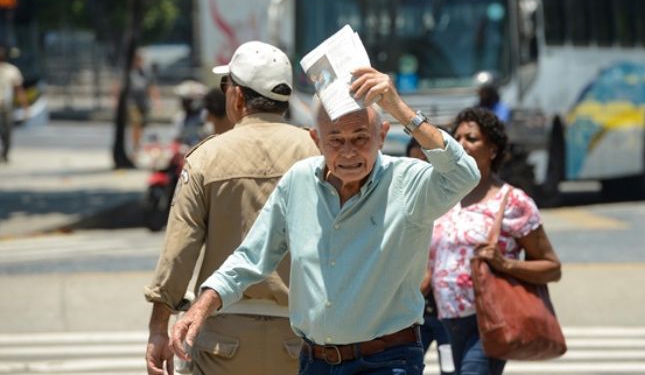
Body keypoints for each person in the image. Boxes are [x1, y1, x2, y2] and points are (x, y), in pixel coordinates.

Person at [170, 66, 482, 375]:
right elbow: (252, 257)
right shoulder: (299, 181)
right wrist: (202, 306)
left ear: (382, 135)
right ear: (316, 140)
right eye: (336, 141)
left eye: (360, 138)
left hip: (387, 361)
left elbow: (464, 174)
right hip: (314, 362)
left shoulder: (409, 183)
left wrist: (399, 110)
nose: (348, 152)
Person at [144, 41, 320, 375]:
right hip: (301, 335)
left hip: (220, 335)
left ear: (237, 97)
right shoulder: (319, 153)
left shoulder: (205, 158)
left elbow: (178, 253)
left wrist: (158, 328)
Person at [429, 107, 561, 375]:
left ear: (493, 150)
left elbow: (551, 267)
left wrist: (505, 264)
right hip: (445, 321)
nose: (462, 144)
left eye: (472, 138)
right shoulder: (441, 196)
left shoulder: (512, 201)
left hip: (487, 321)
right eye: (457, 138)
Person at [406, 138, 454, 375]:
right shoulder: (404, 206)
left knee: (450, 369)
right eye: (416, 160)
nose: (422, 167)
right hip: (414, 316)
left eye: (427, 160)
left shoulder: (454, 204)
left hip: (447, 314)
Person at [126, 50, 160, 155]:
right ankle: (135, 147)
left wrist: (156, 100)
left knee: (141, 125)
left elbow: (151, 86)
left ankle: (137, 143)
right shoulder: (128, 72)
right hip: (132, 102)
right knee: (136, 123)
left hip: (144, 102)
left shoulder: (145, 72)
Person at [0, 43, 29, 163]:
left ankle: (5, 154)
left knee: (7, 131)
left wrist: (25, 106)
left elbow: (19, 90)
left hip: (5, 106)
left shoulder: (12, 70)